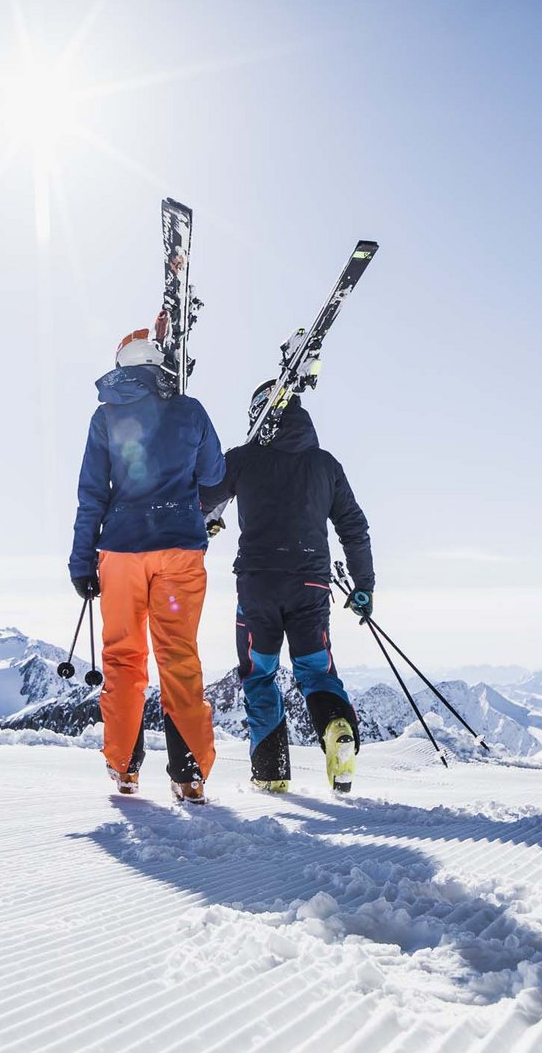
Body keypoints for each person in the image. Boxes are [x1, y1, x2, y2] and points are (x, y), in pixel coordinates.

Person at [69, 321, 226, 803]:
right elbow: (215, 472)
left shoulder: (105, 419)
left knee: (122, 657)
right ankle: (190, 774)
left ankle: (124, 768)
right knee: (178, 657)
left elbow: (92, 494)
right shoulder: (190, 411)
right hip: (180, 549)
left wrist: (81, 561)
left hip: (120, 552)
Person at [201, 381, 373, 793]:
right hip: (310, 584)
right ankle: (336, 728)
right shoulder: (325, 465)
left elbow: (203, 500)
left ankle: (271, 773)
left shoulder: (242, 461)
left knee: (259, 674)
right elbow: (353, 526)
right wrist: (363, 585)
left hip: (258, 585)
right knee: (316, 671)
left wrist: (210, 517)